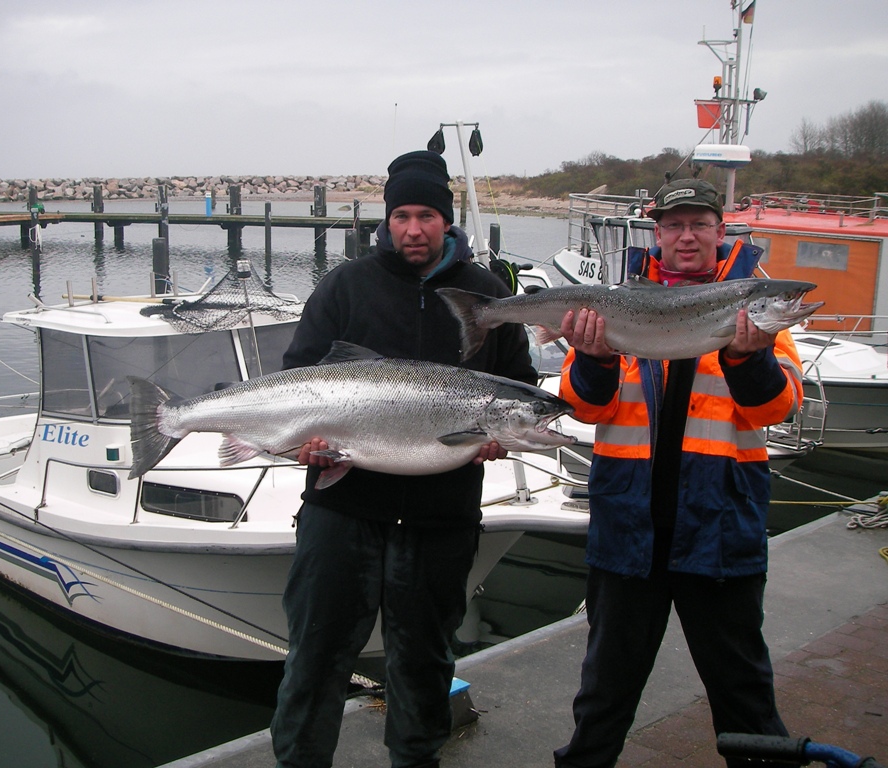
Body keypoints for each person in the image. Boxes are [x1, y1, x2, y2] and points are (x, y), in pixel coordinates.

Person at [270, 149, 537, 768]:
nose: (413, 229)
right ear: (386, 221)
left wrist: (498, 439)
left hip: (440, 518)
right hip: (342, 511)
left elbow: (518, 384)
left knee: (424, 666)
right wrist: (305, 442)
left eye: (426, 215)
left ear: (447, 219)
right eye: (401, 216)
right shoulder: (346, 286)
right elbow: (296, 378)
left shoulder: (488, 295)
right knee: (315, 660)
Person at [553, 178, 803, 768]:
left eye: (699, 224)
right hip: (628, 526)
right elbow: (584, 406)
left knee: (742, 687)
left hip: (719, 525)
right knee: (604, 689)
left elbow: (778, 406)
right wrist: (593, 357)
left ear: (721, 230)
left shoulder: (756, 309)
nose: (686, 236)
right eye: (673, 225)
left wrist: (749, 356)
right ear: (657, 233)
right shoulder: (617, 304)